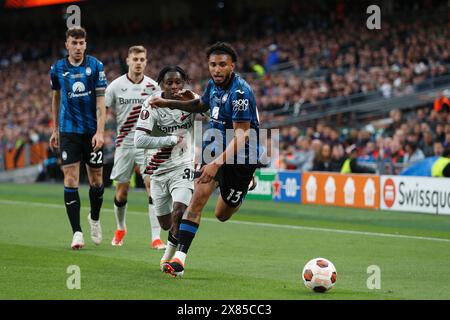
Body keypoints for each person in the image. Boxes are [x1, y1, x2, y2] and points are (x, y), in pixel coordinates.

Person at [148, 42, 260, 277]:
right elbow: (200, 105)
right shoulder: (213, 86)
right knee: (197, 197)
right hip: (215, 148)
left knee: (222, 215)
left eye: (222, 65)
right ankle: (180, 259)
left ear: (232, 66)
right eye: (212, 65)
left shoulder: (240, 92)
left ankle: (245, 185)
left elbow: (242, 133)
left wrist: (218, 162)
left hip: (241, 157)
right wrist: (169, 102)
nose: (216, 69)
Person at [49, 27, 107, 249]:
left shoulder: (95, 66)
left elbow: (101, 101)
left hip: (92, 131)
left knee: (96, 182)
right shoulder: (57, 68)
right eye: (74, 43)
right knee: (71, 179)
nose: (78, 47)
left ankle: (94, 218)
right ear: (67, 45)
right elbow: (56, 98)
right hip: (69, 131)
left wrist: (100, 131)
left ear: (85, 44)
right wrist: (56, 129)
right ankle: (77, 233)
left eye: (82, 43)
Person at [134, 65, 197, 272]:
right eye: (169, 83)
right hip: (158, 170)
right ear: (161, 84)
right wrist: (171, 139)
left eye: (178, 82)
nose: (174, 87)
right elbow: (139, 139)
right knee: (165, 223)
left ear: (184, 82)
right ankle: (170, 245)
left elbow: (209, 110)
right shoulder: (152, 104)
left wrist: (196, 104)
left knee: (180, 211)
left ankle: (172, 257)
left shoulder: (191, 99)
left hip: (183, 165)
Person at [105, 45, 165, 249]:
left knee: (152, 187)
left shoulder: (154, 87)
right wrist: (99, 132)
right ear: (128, 60)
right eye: (135, 59)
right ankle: (121, 227)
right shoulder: (115, 86)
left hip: (147, 144)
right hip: (124, 144)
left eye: (142, 59)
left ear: (146, 62)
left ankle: (156, 237)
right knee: (122, 191)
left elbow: (160, 115)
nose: (139, 62)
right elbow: (102, 109)